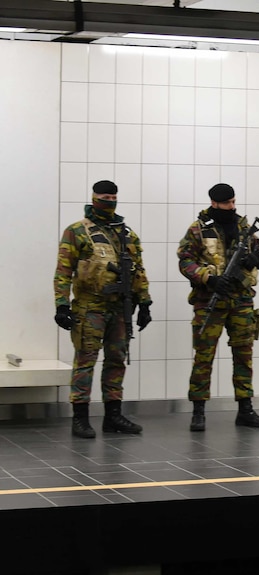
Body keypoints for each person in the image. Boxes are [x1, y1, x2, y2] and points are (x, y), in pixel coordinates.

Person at [54, 180, 151, 438]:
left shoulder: (127, 233)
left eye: (113, 196)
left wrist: (144, 302)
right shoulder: (77, 231)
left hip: (120, 307)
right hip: (90, 307)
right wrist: (62, 304)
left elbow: (138, 270)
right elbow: (63, 271)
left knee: (117, 361)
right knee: (85, 361)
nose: (110, 201)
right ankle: (80, 418)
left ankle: (113, 416)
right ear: (94, 197)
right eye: (105, 196)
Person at [177, 183, 259, 431]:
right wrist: (209, 278)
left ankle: (245, 408)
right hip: (209, 301)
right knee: (204, 356)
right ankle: (198, 411)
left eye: (233, 202)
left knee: (244, 354)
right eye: (227, 203)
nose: (232, 207)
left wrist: (255, 258)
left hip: (241, 300)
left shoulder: (243, 227)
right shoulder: (198, 229)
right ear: (214, 203)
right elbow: (185, 261)